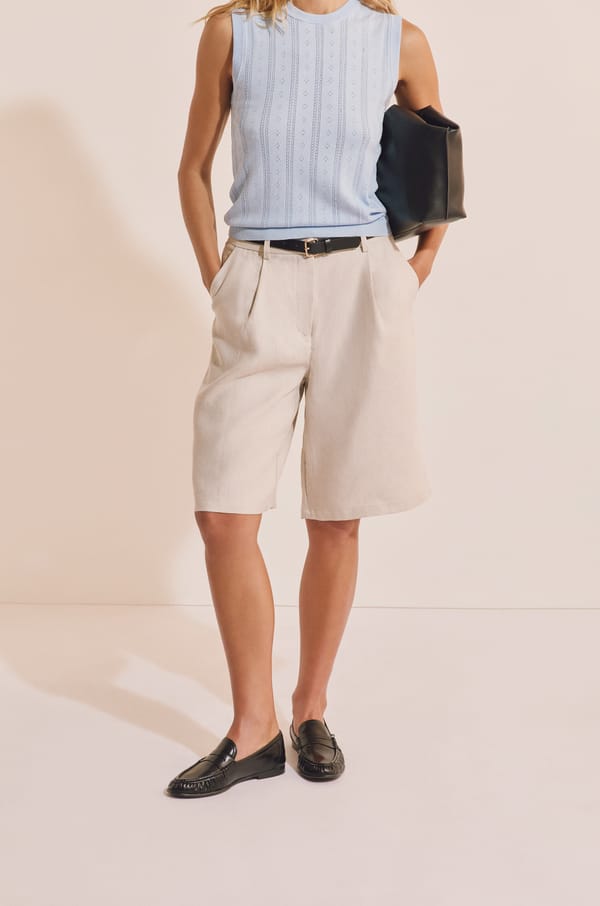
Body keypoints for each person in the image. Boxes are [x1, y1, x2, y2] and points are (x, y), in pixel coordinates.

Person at [166, 0, 448, 798]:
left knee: (337, 512)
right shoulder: (235, 31)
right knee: (224, 514)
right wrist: (219, 277)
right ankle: (253, 727)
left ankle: (310, 709)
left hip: (362, 281)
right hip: (259, 276)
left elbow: (443, 165)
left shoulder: (399, 40)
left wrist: (415, 269)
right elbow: (192, 168)